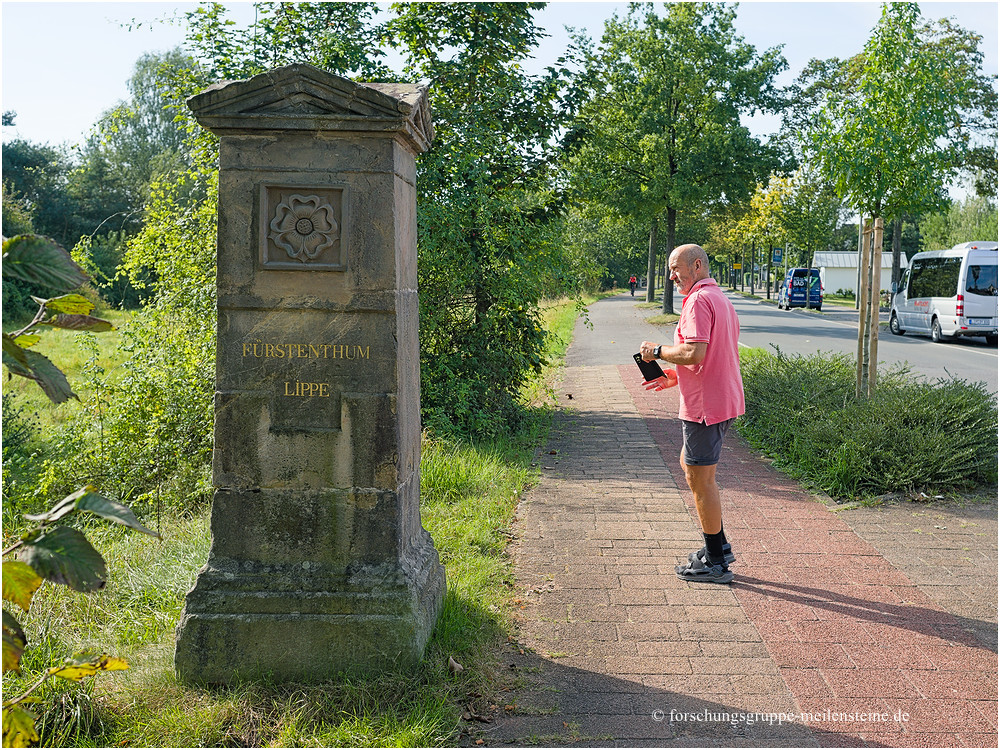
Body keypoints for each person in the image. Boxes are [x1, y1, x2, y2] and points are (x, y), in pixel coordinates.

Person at [639, 244, 745, 584]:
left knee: (700, 479)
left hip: (705, 407)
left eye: (676, 269)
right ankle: (718, 547)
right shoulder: (719, 298)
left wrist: (656, 352)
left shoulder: (699, 300)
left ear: (696, 265)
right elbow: (709, 355)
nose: (671, 276)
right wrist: (673, 376)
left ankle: (716, 561)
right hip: (721, 399)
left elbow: (693, 352)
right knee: (692, 468)